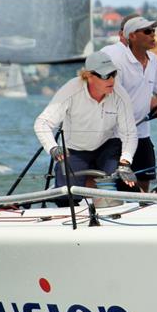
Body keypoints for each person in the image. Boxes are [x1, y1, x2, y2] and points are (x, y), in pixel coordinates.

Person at [34, 52, 138, 202]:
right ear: (88, 76)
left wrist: (125, 162)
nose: (111, 80)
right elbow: (42, 123)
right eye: (105, 76)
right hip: (74, 151)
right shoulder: (71, 90)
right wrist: (53, 148)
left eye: (113, 74)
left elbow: (129, 134)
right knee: (66, 198)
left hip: (106, 146)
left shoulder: (120, 95)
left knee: (122, 183)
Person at [101, 15, 157, 191]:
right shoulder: (118, 61)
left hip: (143, 134)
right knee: (127, 187)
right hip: (119, 137)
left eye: (154, 31)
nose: (153, 35)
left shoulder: (153, 60)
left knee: (144, 185)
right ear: (131, 36)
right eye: (147, 31)